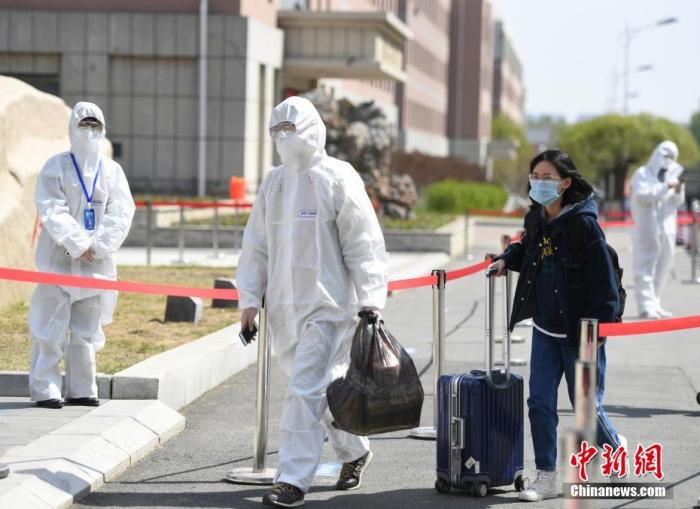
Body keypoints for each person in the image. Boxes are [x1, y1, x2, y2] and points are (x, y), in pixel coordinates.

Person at [237, 96, 388, 508]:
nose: (285, 136)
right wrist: (249, 301)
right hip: (286, 308)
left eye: (292, 127)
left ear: (311, 128)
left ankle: (292, 480)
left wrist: (372, 299)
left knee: (303, 391)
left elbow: (364, 243)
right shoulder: (275, 183)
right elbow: (256, 246)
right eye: (278, 129)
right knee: (319, 391)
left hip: (329, 306)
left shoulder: (337, 177)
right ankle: (355, 451)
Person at [488, 149, 624, 502]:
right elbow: (528, 251)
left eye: (547, 178)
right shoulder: (536, 218)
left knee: (584, 409)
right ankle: (547, 475)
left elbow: (605, 286)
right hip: (546, 329)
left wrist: (597, 335)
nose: (539, 183)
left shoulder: (583, 225)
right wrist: (507, 259)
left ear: (564, 183)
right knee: (540, 403)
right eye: (535, 176)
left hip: (582, 333)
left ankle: (615, 450)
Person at [29, 102, 135, 409]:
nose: (89, 132)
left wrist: (98, 246)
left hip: (96, 265)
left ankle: (82, 388)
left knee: (87, 329)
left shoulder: (112, 171)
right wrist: (78, 244)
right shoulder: (56, 166)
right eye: (84, 125)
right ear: (72, 128)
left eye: (95, 126)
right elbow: (51, 208)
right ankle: (45, 387)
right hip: (57, 262)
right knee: (49, 326)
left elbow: (121, 211)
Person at [630, 140, 685, 319]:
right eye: (665, 154)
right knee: (645, 266)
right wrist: (666, 186)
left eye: (672, 156)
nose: (668, 160)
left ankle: (656, 302)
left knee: (664, 265)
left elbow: (678, 200)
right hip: (648, 226)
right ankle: (645, 305)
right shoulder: (642, 173)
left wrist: (677, 189)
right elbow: (643, 195)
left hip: (667, 226)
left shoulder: (674, 173)